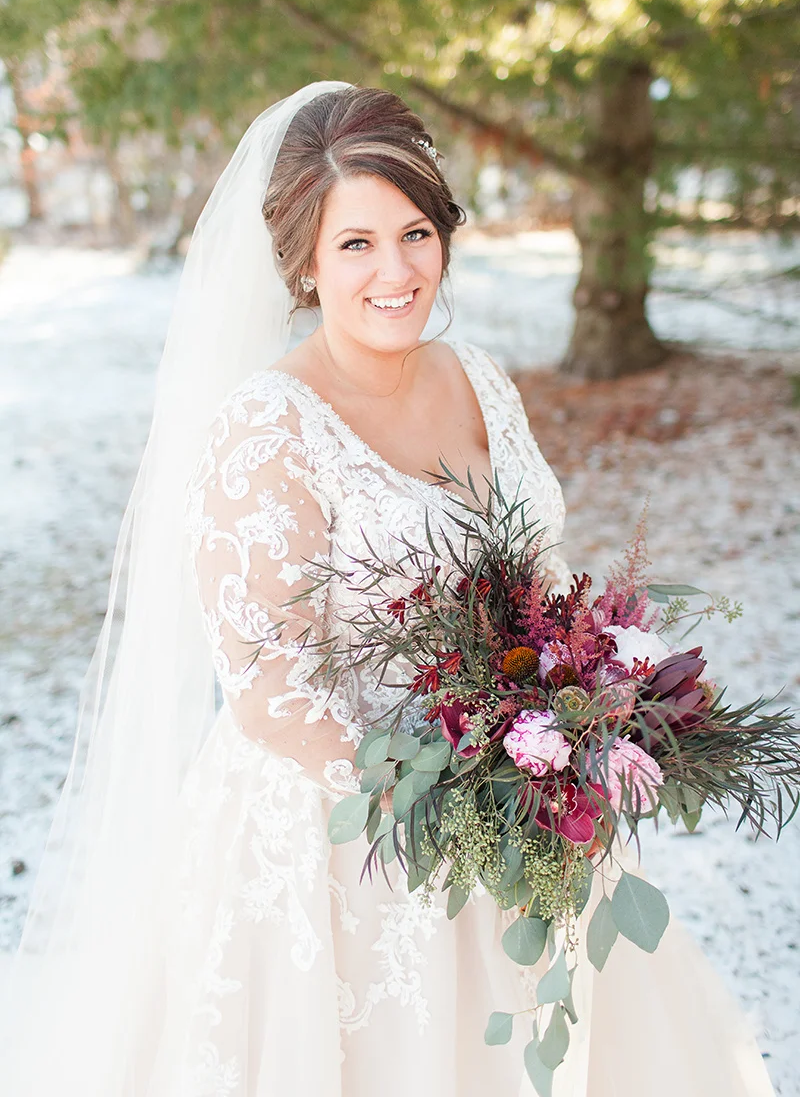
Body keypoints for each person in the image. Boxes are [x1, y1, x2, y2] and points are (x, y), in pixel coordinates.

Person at [0, 81, 777, 1097]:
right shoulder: (265, 429)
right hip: (348, 849)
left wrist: (576, 714)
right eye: (354, 244)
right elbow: (267, 688)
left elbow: (534, 579)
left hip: (520, 809)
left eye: (414, 233)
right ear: (304, 263)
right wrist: (446, 802)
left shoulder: (476, 377)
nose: (395, 271)